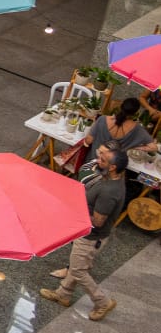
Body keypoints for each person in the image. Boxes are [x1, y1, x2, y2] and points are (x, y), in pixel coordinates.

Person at [40, 142, 122, 321]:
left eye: (103, 159)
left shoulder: (109, 191)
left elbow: (98, 221)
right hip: (90, 235)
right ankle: (63, 294)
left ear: (113, 167)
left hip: (90, 237)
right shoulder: (110, 178)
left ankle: (102, 301)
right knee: (77, 266)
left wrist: (75, 211)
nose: (98, 160)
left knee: (78, 271)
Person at [85, 97, 158, 155]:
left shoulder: (102, 119)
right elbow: (154, 148)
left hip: (93, 163)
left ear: (121, 106)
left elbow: (88, 141)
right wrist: (135, 147)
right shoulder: (137, 129)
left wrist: (94, 125)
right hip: (112, 169)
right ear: (136, 113)